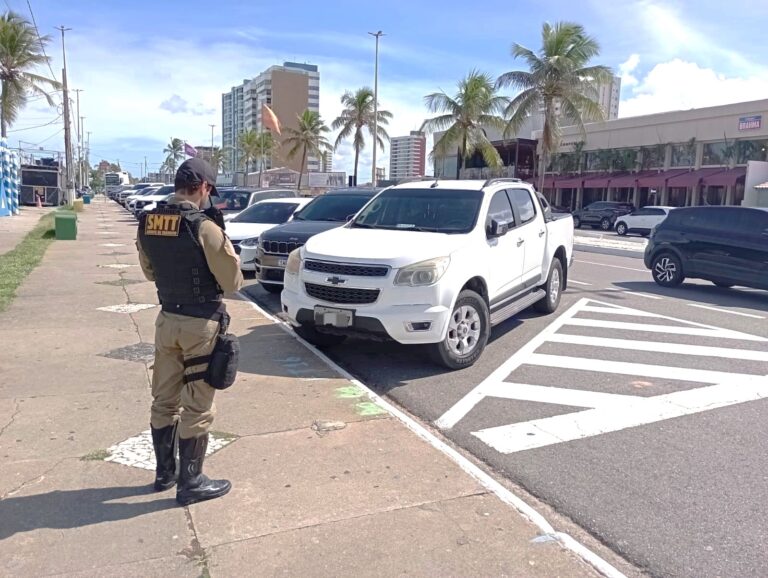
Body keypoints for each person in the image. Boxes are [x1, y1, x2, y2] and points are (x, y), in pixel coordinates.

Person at [135, 157, 243, 506]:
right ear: (205, 188)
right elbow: (232, 282)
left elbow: (150, 273)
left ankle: (164, 473)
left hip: (167, 321)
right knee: (197, 405)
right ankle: (191, 481)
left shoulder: (148, 221)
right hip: (200, 326)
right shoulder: (204, 226)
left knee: (163, 400)